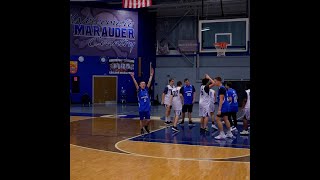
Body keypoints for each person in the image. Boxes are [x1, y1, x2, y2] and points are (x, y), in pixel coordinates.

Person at [129, 68, 154, 135]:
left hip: (147, 108)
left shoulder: (147, 90)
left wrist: (151, 75)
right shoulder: (139, 90)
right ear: (140, 85)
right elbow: (136, 84)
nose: (143, 84)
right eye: (142, 84)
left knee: (148, 120)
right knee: (141, 120)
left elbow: (149, 82)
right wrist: (133, 77)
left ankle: (146, 126)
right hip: (141, 108)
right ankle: (141, 129)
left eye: (144, 84)